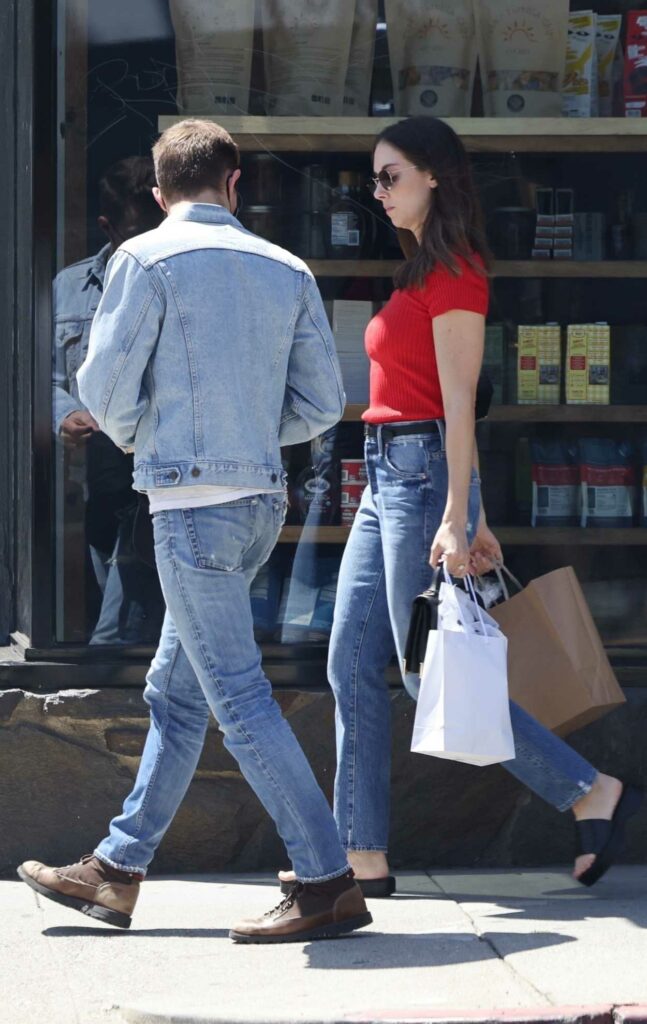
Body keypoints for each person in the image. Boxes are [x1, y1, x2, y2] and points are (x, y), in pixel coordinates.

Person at [19, 118, 371, 944]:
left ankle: (325, 882)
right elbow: (323, 405)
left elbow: (100, 389)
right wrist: (249, 439)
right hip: (256, 503)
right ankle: (115, 870)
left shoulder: (143, 259)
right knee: (176, 698)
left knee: (238, 699)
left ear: (156, 191)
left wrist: (149, 437)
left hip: (187, 504)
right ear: (233, 182)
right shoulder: (285, 266)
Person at [279, 116, 641, 899]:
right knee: (349, 662)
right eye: (373, 178)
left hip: (418, 475)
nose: (376, 192)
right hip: (385, 475)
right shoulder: (416, 270)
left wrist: (457, 510)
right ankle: (362, 856)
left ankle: (587, 789)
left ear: (434, 176)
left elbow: (457, 406)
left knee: (422, 669)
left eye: (390, 176)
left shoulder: (456, 273)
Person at [53, 156, 165, 644]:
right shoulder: (70, 288)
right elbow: (40, 377)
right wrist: (64, 414)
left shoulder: (177, 277)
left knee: (133, 626)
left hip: (161, 477)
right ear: (107, 227)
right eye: (134, 235)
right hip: (90, 481)